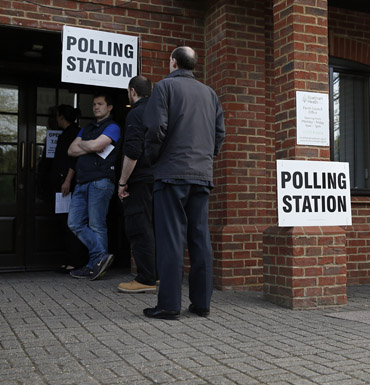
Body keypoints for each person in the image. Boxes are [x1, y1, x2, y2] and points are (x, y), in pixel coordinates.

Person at [143, 46, 225, 320]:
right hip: (201, 176)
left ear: (173, 62)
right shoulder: (210, 94)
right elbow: (219, 134)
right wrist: (205, 158)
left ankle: (168, 305)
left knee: (171, 240)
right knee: (200, 238)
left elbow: (155, 129)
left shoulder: (164, 88)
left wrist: (155, 160)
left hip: (171, 174)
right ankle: (201, 304)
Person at [67, 93, 121, 280]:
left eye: (100, 104)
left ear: (109, 107)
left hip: (101, 181)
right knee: (74, 223)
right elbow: (71, 150)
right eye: (94, 104)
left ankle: (94, 266)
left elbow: (98, 146)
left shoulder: (113, 127)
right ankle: (100, 257)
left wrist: (86, 145)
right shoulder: (87, 127)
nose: (96, 107)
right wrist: (89, 145)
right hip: (82, 181)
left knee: (97, 224)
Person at [117, 75, 157, 293]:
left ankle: (145, 278)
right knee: (155, 227)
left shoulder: (136, 113)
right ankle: (156, 274)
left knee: (139, 227)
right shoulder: (161, 111)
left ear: (132, 92)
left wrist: (123, 182)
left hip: (140, 179)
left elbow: (132, 151)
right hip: (159, 178)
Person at [51, 105, 88, 273]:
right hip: (63, 184)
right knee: (65, 222)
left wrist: (67, 181)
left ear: (61, 117)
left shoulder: (74, 134)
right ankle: (70, 259)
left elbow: (74, 161)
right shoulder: (67, 133)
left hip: (68, 185)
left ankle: (75, 260)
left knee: (70, 222)